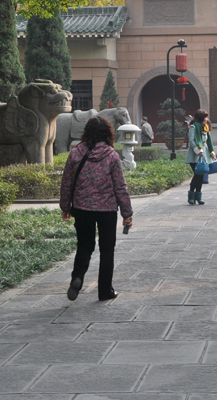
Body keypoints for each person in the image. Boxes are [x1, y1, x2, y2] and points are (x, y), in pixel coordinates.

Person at [59, 116, 133, 302]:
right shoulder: (112, 156)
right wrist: (127, 213)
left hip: (82, 209)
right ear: (108, 134)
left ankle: (77, 278)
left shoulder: (76, 153)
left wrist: (65, 206)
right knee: (107, 250)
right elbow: (120, 187)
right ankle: (105, 291)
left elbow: (67, 183)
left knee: (84, 246)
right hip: (107, 211)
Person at [184, 109, 215, 205]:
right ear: (201, 118)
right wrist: (198, 151)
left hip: (204, 153)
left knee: (201, 176)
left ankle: (198, 196)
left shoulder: (205, 127)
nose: (207, 119)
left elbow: (209, 141)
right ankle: (191, 196)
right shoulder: (193, 127)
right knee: (197, 175)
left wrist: (212, 152)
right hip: (194, 155)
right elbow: (192, 141)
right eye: (205, 117)